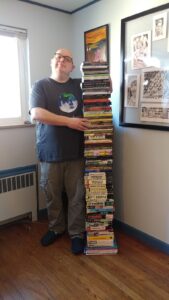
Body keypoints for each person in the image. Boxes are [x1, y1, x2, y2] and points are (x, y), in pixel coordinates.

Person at [30, 48, 89, 254]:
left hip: (76, 153)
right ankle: (56, 229)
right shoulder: (41, 86)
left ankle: (76, 233)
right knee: (52, 196)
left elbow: (105, 88)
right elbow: (37, 113)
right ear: (52, 61)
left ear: (72, 67)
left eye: (67, 58)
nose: (61, 60)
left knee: (76, 197)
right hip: (49, 153)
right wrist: (69, 122)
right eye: (57, 56)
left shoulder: (80, 85)